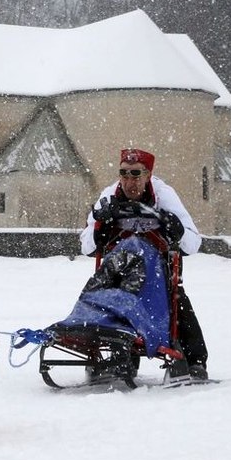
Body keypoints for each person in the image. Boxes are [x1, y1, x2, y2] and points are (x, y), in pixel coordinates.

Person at [80, 148, 209, 380]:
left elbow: (193, 243)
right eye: (124, 174)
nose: (130, 182)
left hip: (158, 269)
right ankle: (106, 345)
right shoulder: (109, 195)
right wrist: (100, 229)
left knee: (176, 300)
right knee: (107, 294)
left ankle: (195, 359)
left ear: (148, 175)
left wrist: (175, 228)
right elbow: (86, 246)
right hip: (119, 270)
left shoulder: (164, 195)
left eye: (136, 174)